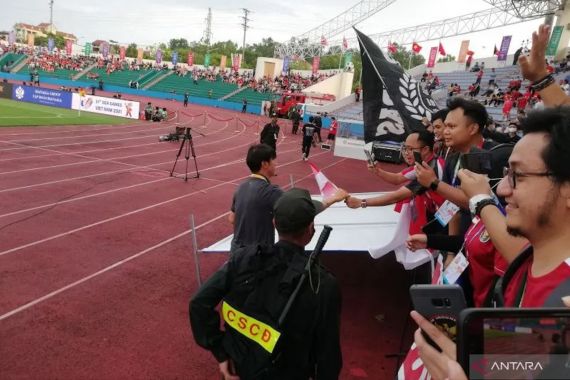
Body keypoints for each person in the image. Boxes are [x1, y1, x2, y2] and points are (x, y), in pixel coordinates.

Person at [411, 107, 570, 380]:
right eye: (507, 173)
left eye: (518, 176)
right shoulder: (527, 263)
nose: (503, 189)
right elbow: (521, 360)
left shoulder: (561, 302)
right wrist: (470, 360)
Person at [190, 188, 344, 380]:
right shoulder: (323, 284)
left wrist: (220, 352)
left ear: (273, 223)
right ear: (310, 229)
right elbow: (328, 356)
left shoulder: (243, 258)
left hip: (238, 368)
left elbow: (198, 304)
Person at [346, 131, 445, 235]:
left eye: (411, 149)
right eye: (405, 148)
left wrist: (361, 202)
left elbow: (396, 197)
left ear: (425, 149)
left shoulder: (431, 170)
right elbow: (398, 178)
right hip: (435, 216)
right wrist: (377, 171)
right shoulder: (423, 163)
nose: (406, 153)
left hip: (440, 222)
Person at [228, 144, 282, 252]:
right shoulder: (271, 191)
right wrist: (325, 203)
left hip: (236, 253)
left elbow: (232, 219)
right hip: (258, 257)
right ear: (265, 164)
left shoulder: (240, 188)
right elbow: (297, 210)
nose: (276, 164)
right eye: (273, 160)